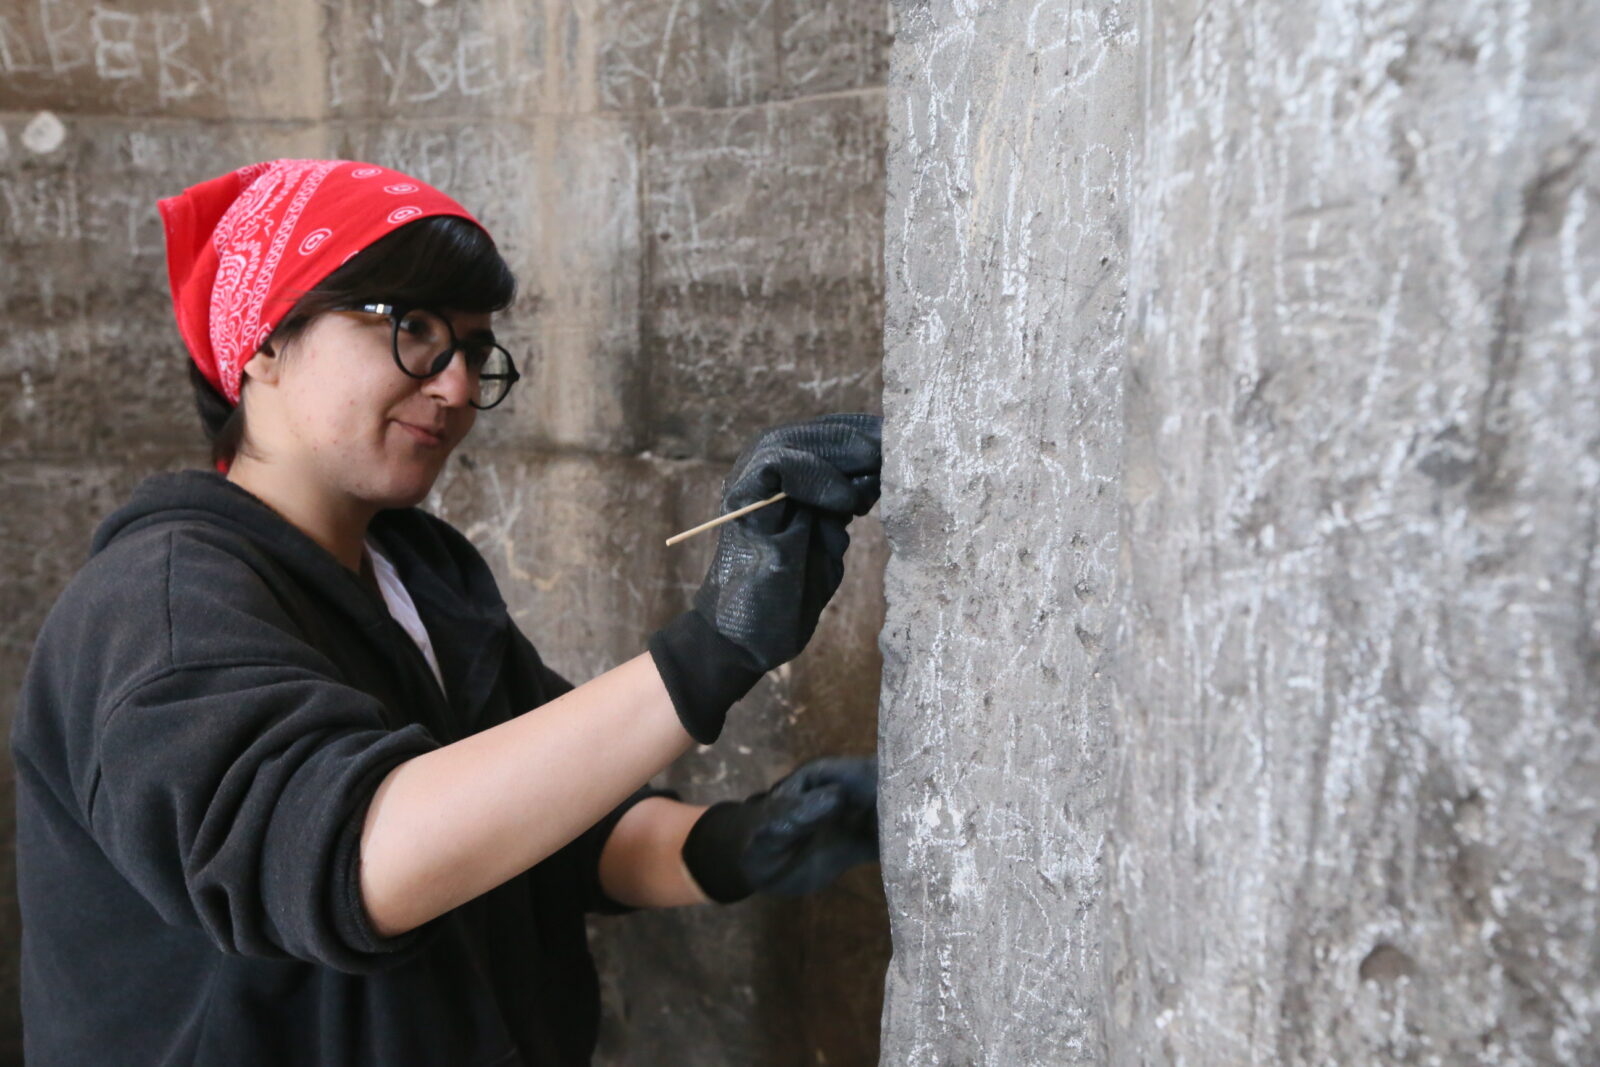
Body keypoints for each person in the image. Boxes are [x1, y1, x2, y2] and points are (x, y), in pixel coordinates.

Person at [8, 158, 882, 1066]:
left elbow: (556, 825)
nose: (458, 388)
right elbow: (356, 859)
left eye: (473, 349)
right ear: (264, 341)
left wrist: (745, 841)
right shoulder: (161, 608)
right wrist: (714, 648)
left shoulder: (421, 574)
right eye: (412, 329)